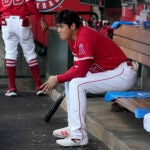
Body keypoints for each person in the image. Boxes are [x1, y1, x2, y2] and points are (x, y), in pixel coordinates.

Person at [41, 9, 138, 147]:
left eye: (61, 26)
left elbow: (80, 71)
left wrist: (57, 78)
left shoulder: (85, 36)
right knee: (71, 81)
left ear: (72, 26)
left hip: (122, 73)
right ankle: (73, 127)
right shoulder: (72, 39)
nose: (58, 30)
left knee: (77, 84)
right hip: (110, 72)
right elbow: (77, 68)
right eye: (58, 26)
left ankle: (79, 135)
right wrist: (61, 78)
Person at [0, 0, 48, 97]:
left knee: (10, 54)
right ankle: (39, 86)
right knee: (30, 54)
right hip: (21, 20)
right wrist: (41, 19)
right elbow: (30, 5)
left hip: (6, 21)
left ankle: (12, 88)